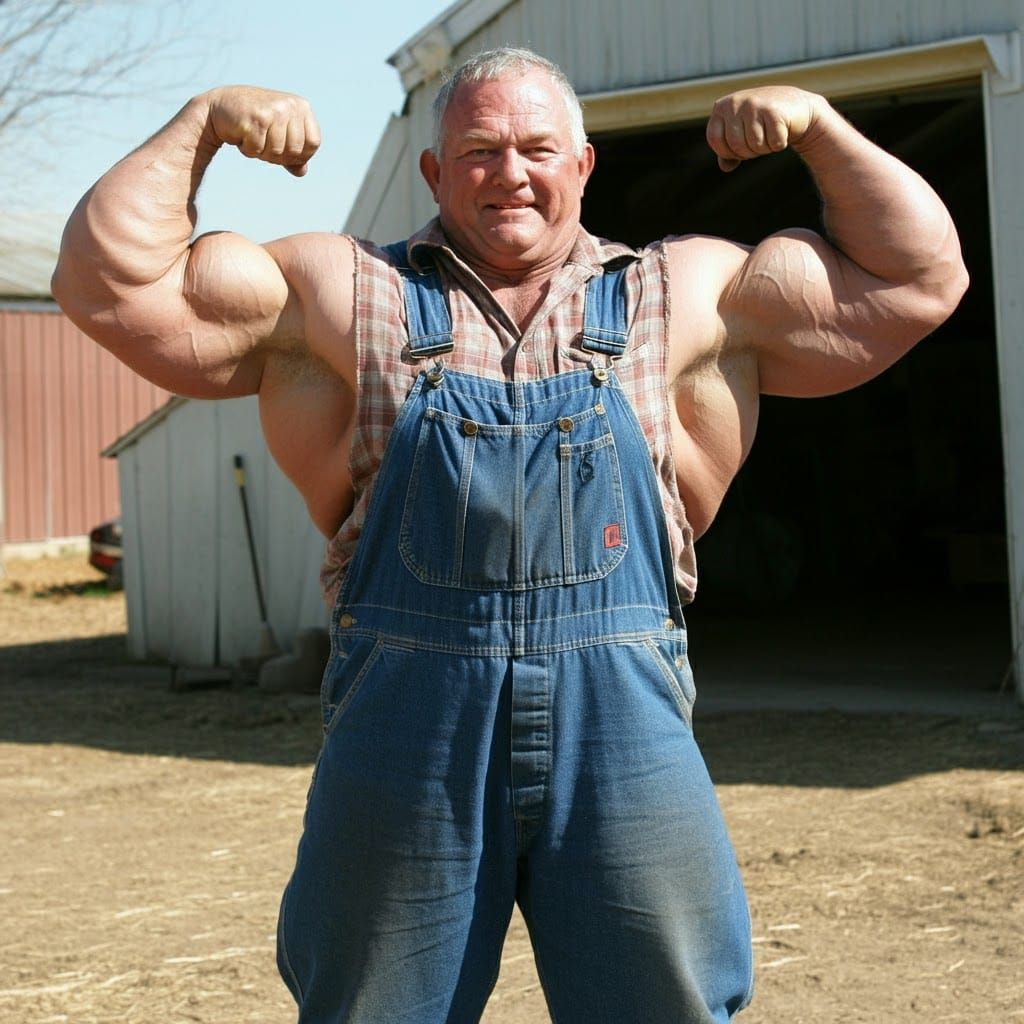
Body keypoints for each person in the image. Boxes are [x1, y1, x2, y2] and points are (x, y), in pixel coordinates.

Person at [52, 47, 967, 1024]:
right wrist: (201, 124)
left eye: (537, 148)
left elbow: (914, 279)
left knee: (663, 1007)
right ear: (433, 171)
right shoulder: (338, 293)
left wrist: (820, 129)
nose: (511, 173)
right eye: (479, 150)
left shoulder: (684, 294)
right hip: (410, 729)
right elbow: (108, 283)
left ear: (583, 164)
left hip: (622, 728)